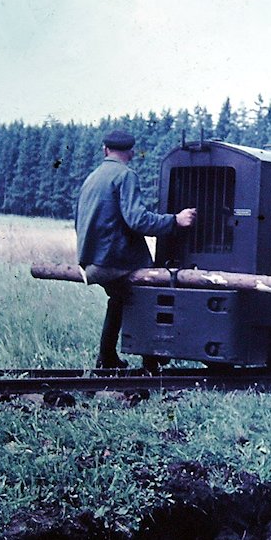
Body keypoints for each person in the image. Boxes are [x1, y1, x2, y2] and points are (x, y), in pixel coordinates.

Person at [75, 129, 196, 370]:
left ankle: (107, 358)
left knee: (119, 298)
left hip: (91, 261)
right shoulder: (125, 176)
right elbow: (138, 220)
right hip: (114, 260)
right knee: (153, 291)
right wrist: (175, 220)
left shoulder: (93, 176)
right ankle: (151, 362)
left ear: (105, 150)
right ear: (131, 152)